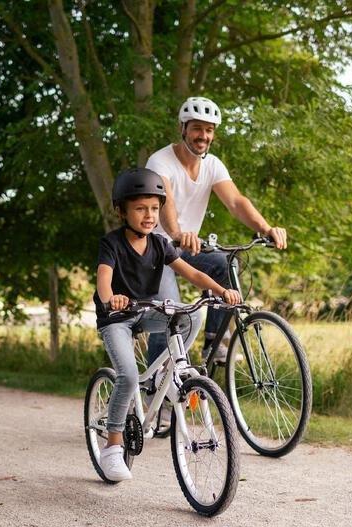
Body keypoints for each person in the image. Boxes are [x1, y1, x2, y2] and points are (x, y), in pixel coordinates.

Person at [94, 167, 242, 482]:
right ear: (122, 210)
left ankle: (166, 373)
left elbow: (194, 274)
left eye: (154, 208)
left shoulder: (160, 245)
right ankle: (112, 446)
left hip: (147, 311)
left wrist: (222, 291)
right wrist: (112, 299)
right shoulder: (112, 244)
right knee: (129, 376)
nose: (149, 215)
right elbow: (104, 281)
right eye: (140, 208)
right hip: (116, 317)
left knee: (191, 315)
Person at [144, 95, 288, 368]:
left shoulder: (212, 164)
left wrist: (266, 228)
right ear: (183, 128)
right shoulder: (160, 161)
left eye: (209, 130)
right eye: (197, 128)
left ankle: (214, 342)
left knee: (223, 265)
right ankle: (154, 384)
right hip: (156, 248)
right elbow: (166, 203)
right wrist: (176, 233)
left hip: (187, 246)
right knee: (171, 312)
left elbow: (236, 202)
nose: (203, 136)